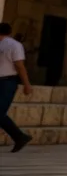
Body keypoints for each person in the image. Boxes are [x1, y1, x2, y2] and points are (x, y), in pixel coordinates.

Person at [0, 22, 33, 152]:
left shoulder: (14, 45)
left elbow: (19, 66)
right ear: (10, 32)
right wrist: (26, 85)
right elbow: (20, 65)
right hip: (7, 80)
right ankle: (20, 137)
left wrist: (26, 84)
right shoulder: (15, 45)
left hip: (7, 82)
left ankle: (19, 137)